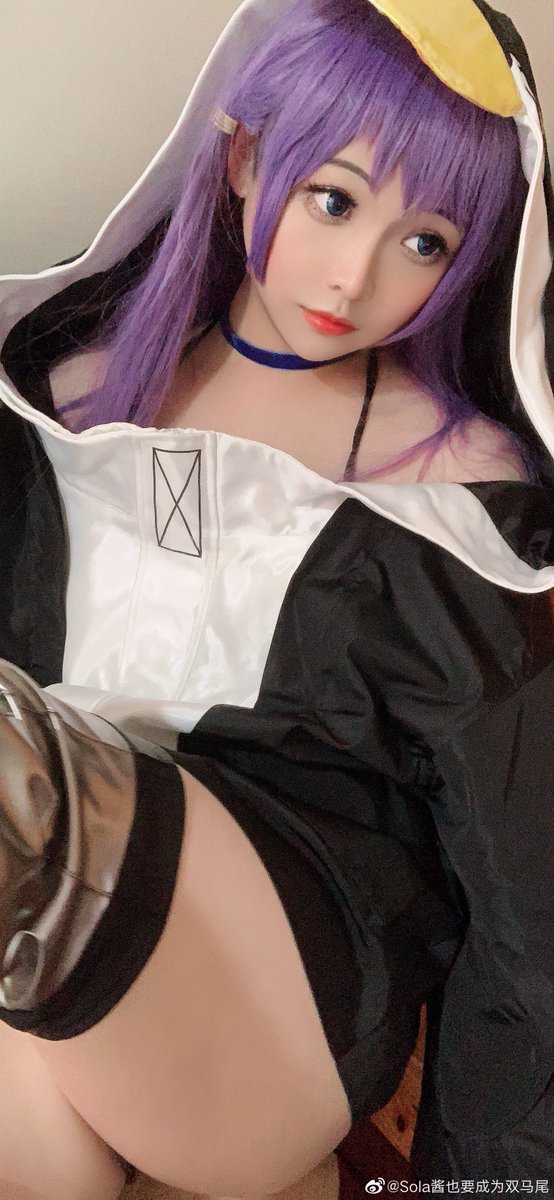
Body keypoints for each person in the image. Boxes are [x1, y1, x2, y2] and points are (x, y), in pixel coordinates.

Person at [0, 0, 553, 1195]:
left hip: (286, 990)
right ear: (245, 159)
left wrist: (487, 1179)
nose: (355, 279)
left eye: (424, 242)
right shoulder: (63, 390)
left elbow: (519, 872)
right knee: (23, 1054)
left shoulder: (452, 488)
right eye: (334, 200)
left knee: (21, 801)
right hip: (54, 986)